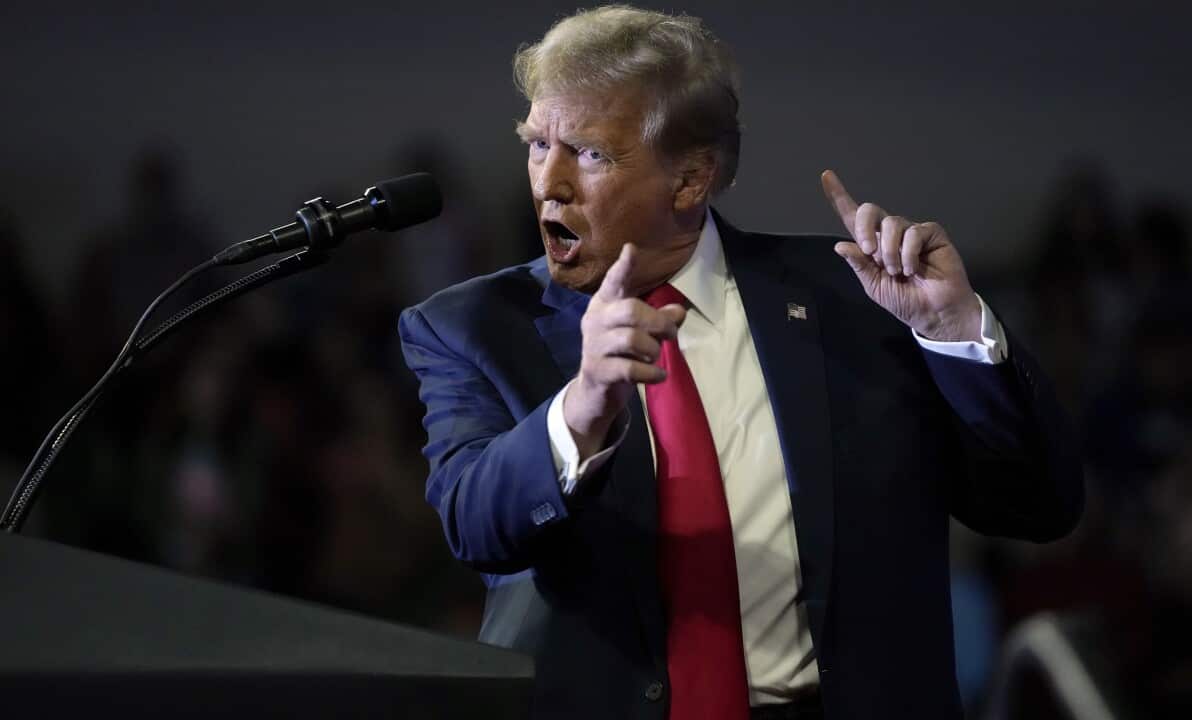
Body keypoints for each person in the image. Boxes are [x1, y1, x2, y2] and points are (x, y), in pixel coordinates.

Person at [398, 6, 1082, 719]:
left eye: (589, 153)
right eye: (538, 144)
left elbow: (1039, 505)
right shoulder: (470, 326)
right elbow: (475, 527)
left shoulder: (861, 300)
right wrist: (581, 409)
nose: (550, 182)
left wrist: (953, 330)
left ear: (691, 180)